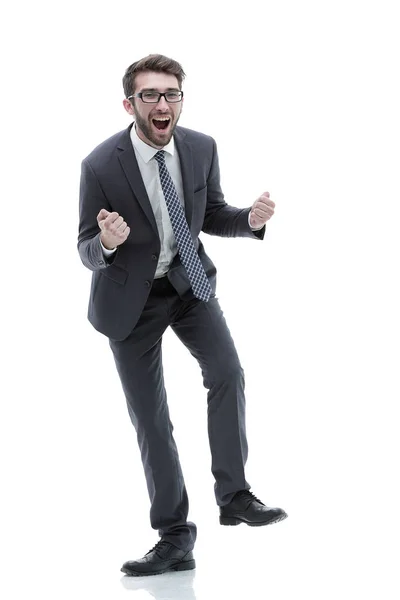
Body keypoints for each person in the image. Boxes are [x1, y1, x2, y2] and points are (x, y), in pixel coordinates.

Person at [77, 53, 287, 577]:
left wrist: (249, 220)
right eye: (150, 95)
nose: (163, 104)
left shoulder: (200, 146)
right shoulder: (100, 165)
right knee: (152, 417)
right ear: (130, 104)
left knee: (228, 373)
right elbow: (83, 244)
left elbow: (211, 212)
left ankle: (234, 495)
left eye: (172, 94)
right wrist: (104, 242)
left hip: (188, 283)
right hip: (131, 302)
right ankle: (174, 536)